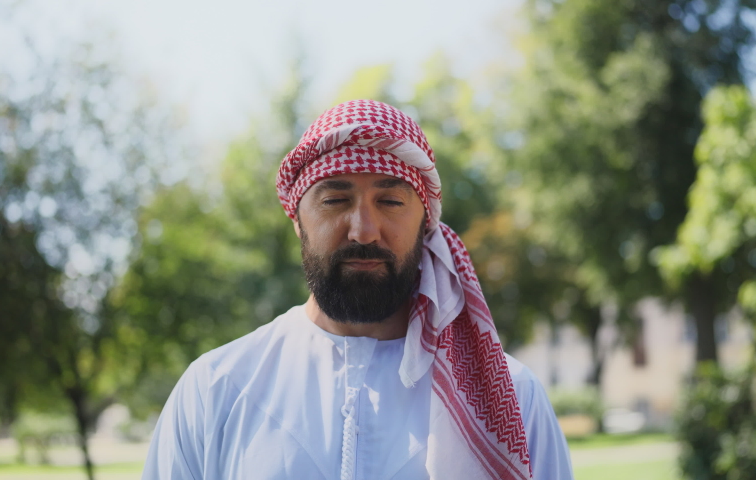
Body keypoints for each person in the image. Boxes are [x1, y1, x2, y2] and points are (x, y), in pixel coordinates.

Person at [142, 100, 573, 480]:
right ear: (297, 220)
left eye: (390, 201)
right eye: (334, 200)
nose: (364, 231)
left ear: (426, 222)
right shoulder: (217, 388)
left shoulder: (512, 400)